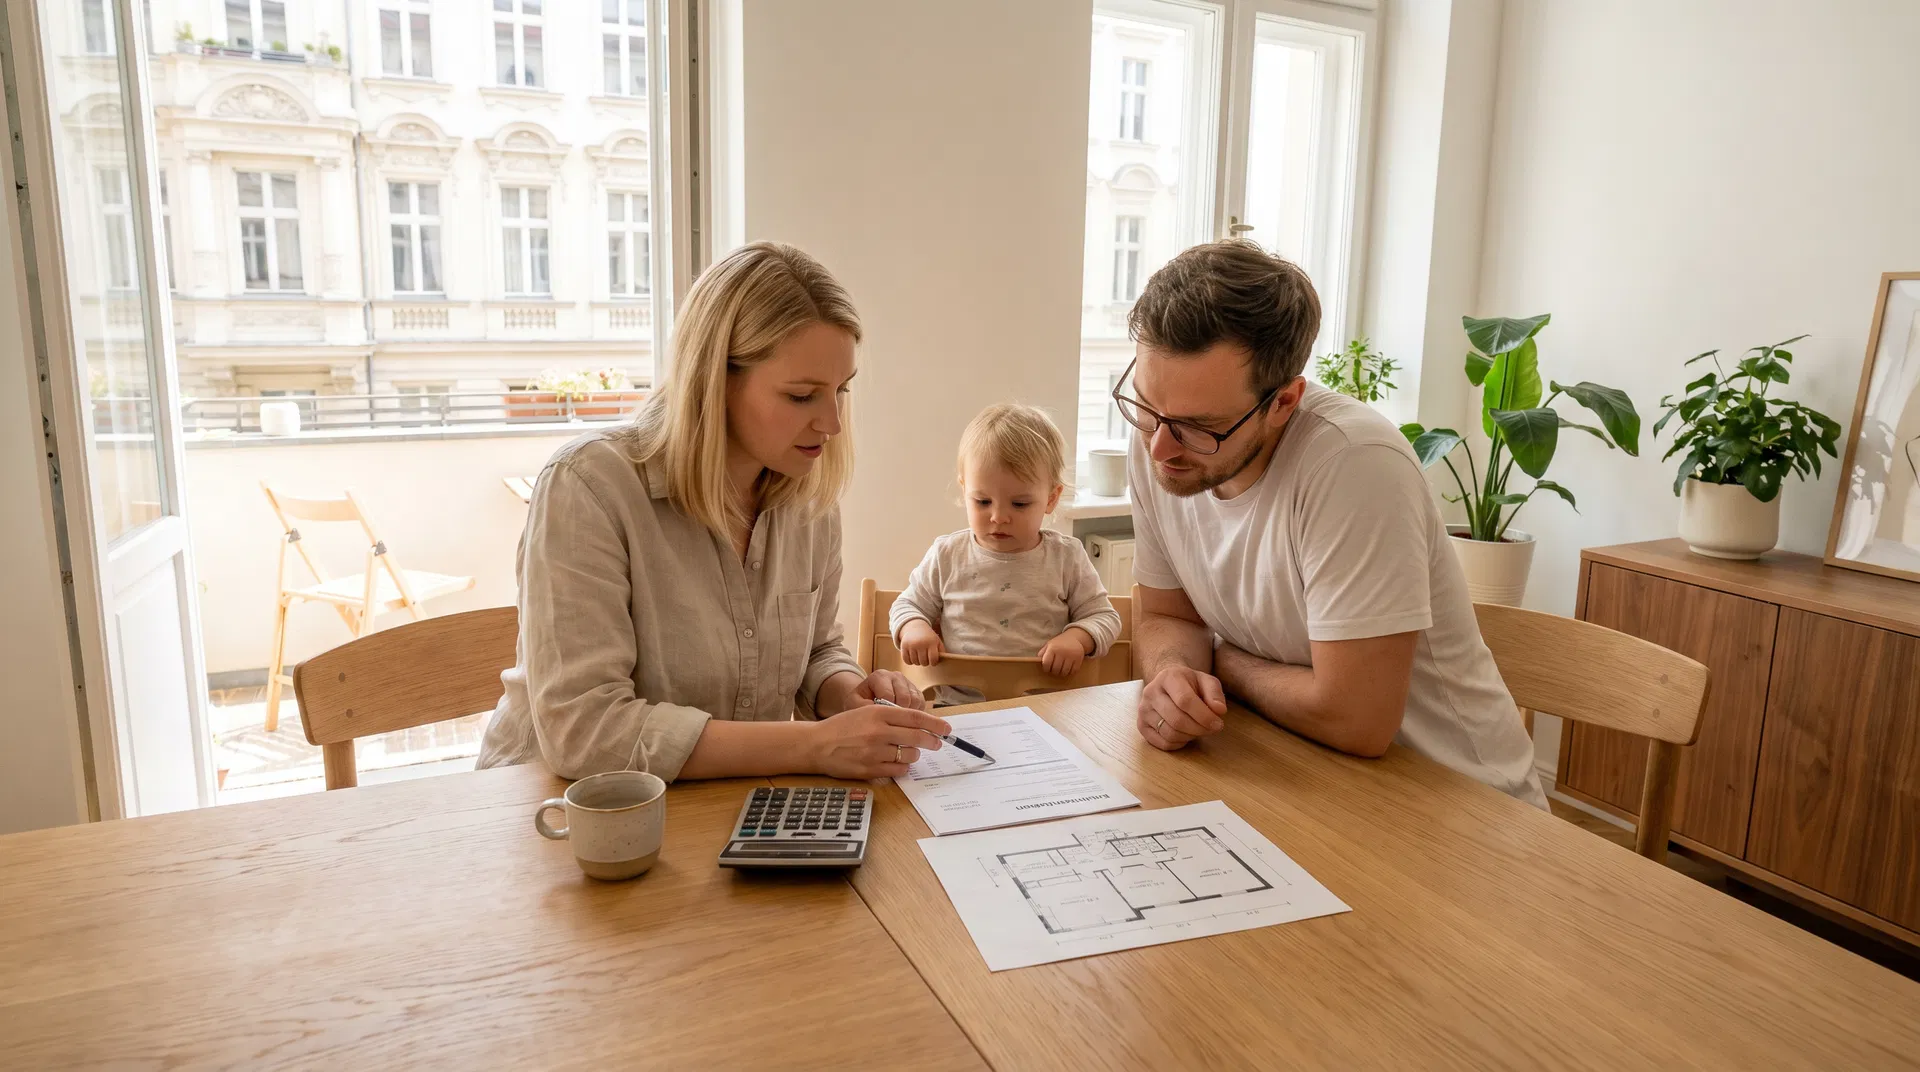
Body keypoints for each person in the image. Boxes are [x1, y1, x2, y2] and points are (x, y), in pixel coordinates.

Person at [476, 241, 951, 783]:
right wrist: (812, 745)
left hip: (717, 807)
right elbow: (586, 733)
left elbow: (818, 649)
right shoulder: (588, 487)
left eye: (841, 391)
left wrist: (848, 693)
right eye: (801, 396)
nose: (832, 423)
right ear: (714, 382)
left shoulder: (807, 495)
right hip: (554, 815)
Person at [1117, 241, 1547, 808]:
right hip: (1302, 774)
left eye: (1202, 427)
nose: (1159, 447)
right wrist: (1174, 675)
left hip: (1457, 805)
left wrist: (1220, 661)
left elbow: (1356, 719)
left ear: (1285, 401)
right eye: (1147, 407)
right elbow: (1168, 617)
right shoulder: (1161, 439)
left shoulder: (1354, 464)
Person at [891, 404, 1123, 705]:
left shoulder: (1066, 557)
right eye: (983, 501)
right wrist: (914, 627)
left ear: (1050, 499)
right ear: (965, 491)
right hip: (959, 709)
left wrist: (1077, 638)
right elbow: (907, 604)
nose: (999, 516)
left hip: (1046, 709)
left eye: (1020, 504)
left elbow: (1104, 616)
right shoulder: (947, 555)